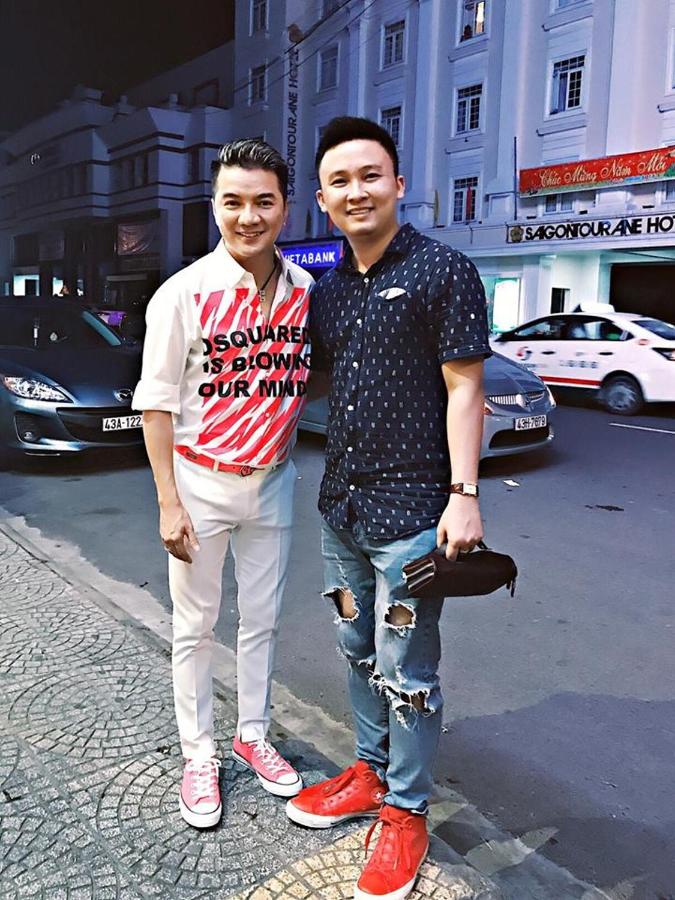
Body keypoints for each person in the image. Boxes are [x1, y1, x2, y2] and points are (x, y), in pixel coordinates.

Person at [286, 117, 491, 900]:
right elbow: (310, 382)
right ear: (322, 200)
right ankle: (370, 772)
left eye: (369, 175)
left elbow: (465, 390)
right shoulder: (329, 291)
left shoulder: (443, 271)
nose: (356, 191)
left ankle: (405, 810)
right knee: (353, 644)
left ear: (398, 184)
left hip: (411, 515)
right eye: (339, 181)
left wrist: (464, 496)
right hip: (340, 507)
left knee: (407, 668)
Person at [132, 139, 313, 829]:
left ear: (285, 208)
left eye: (263, 201)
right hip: (200, 482)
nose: (247, 216)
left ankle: (252, 734)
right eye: (232, 201)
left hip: (274, 481)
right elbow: (156, 405)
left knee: (263, 618)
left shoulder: (304, 292)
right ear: (214, 207)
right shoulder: (183, 294)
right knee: (195, 626)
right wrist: (168, 502)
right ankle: (198, 754)